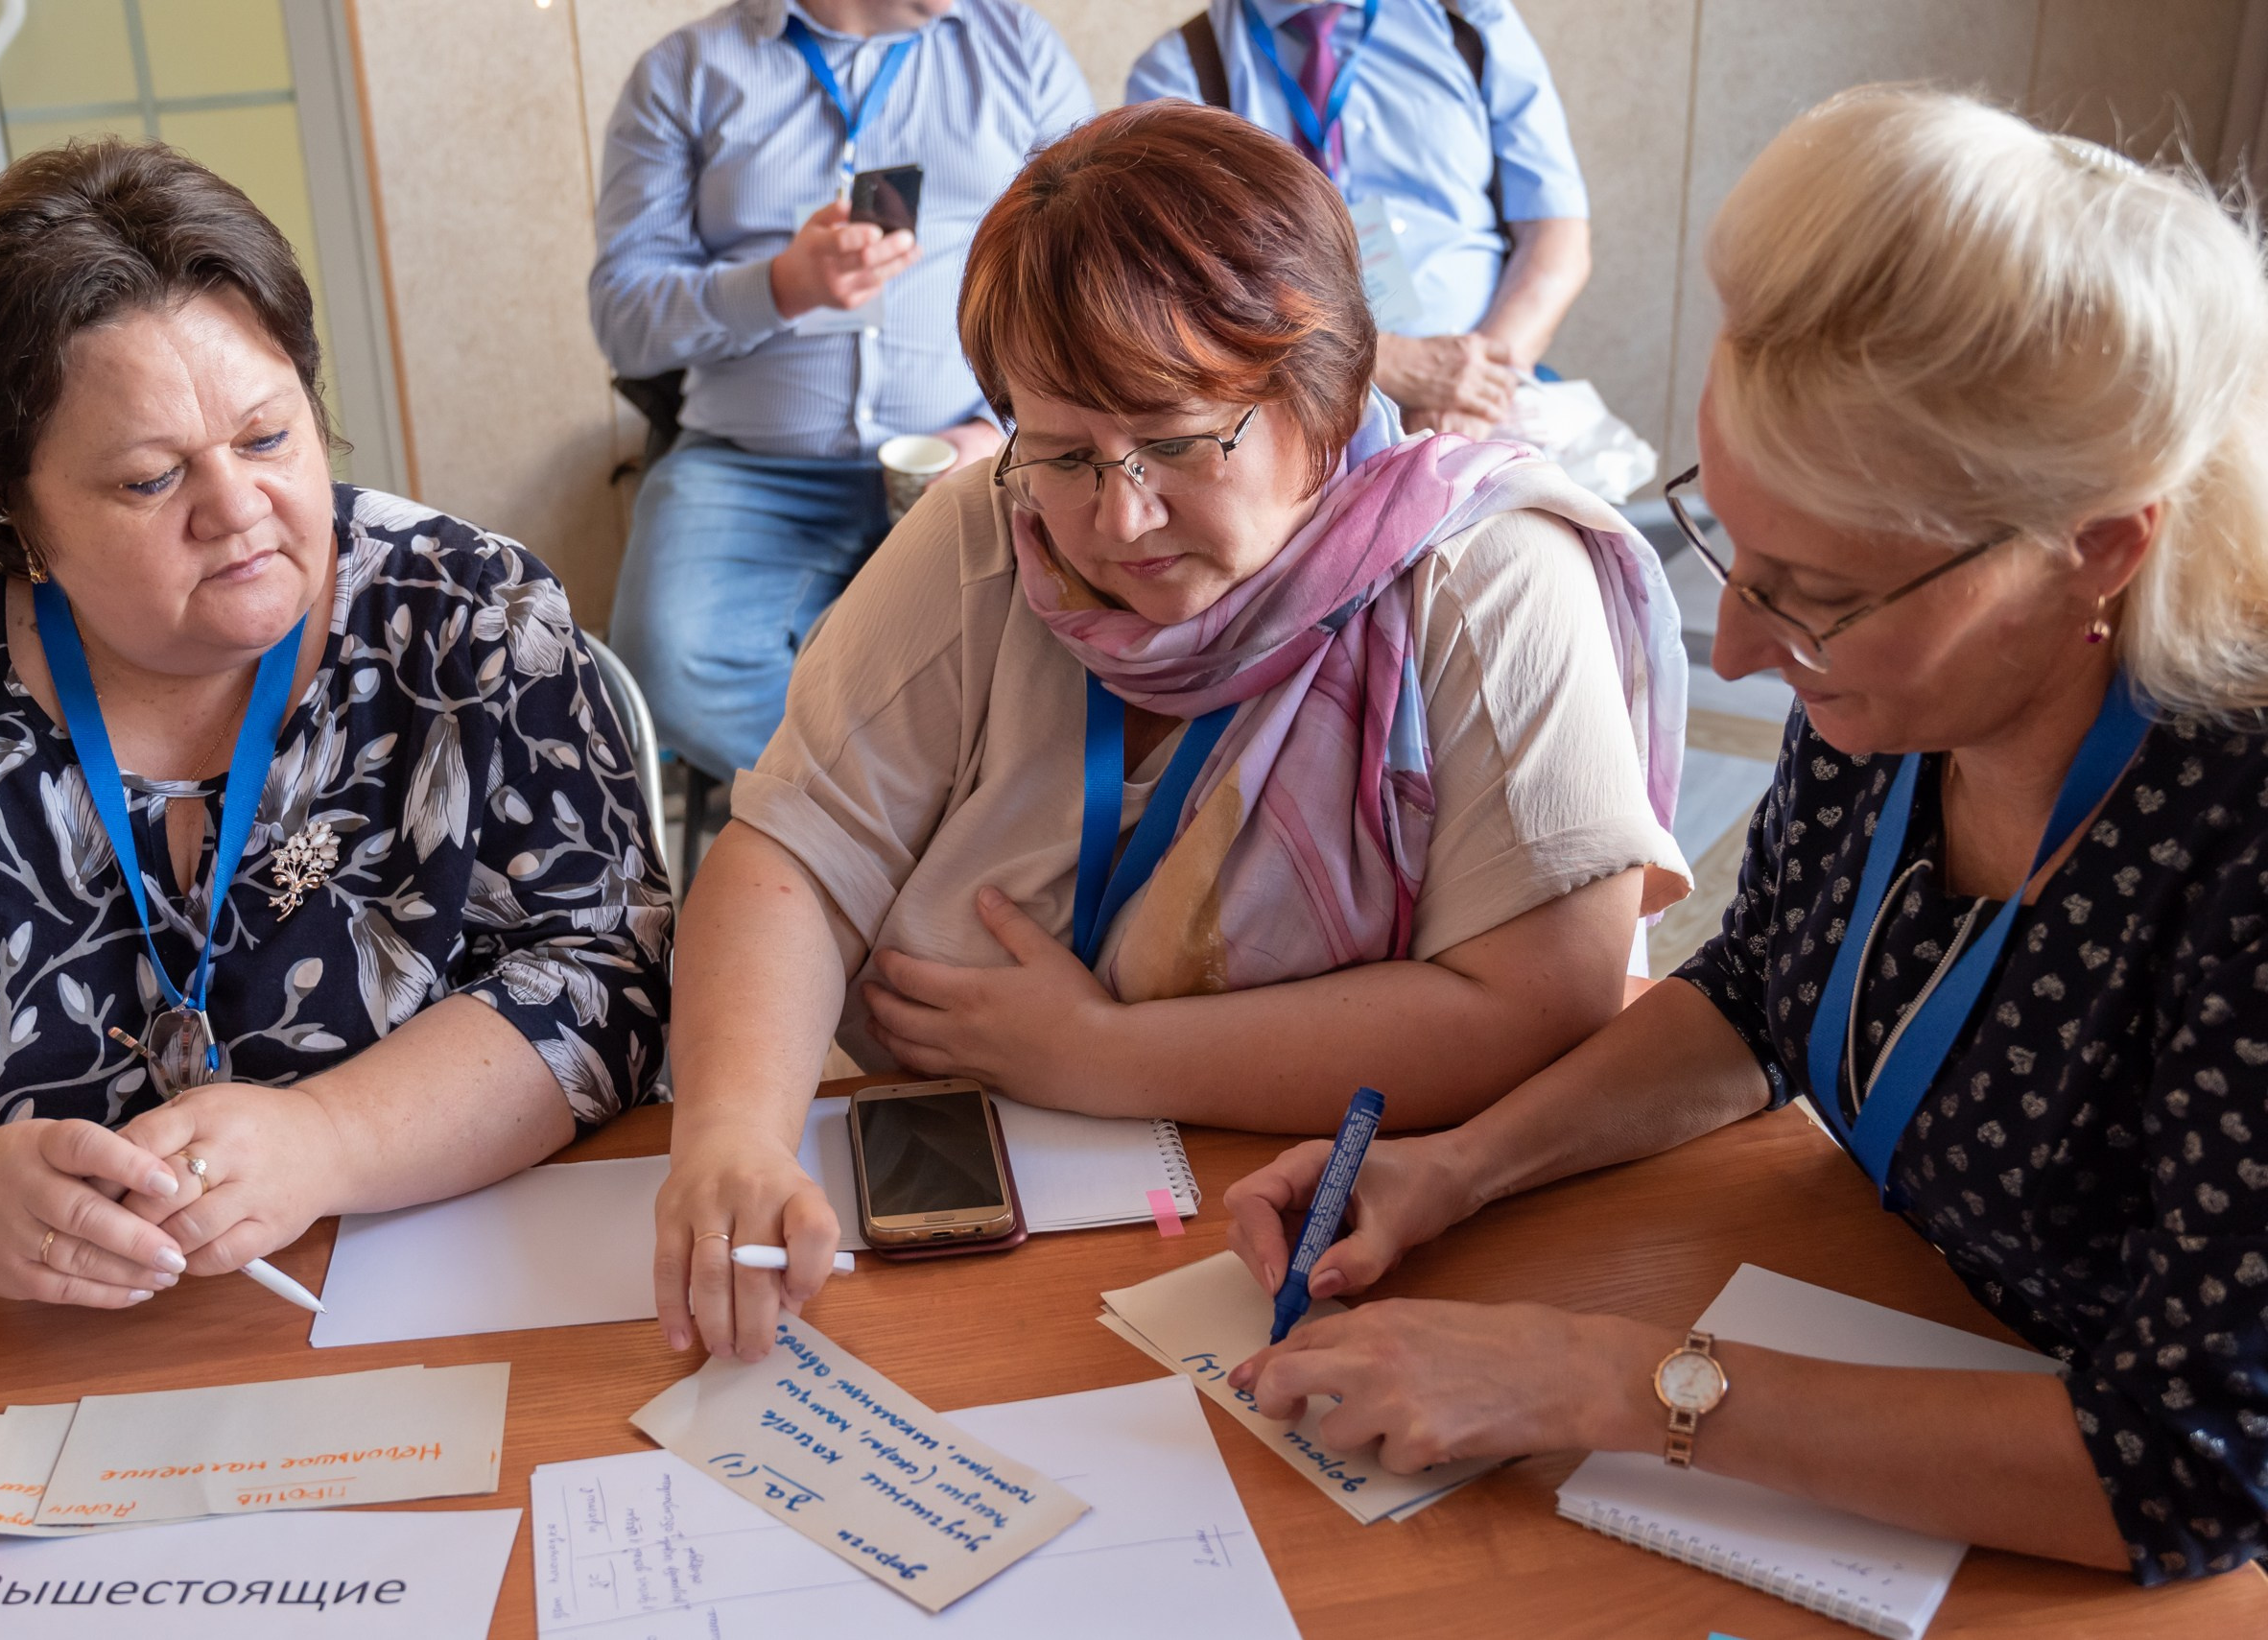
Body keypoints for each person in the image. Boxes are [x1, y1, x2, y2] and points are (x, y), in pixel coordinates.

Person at [1221, 87, 2268, 1584]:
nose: (1736, 651)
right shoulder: (1892, 697)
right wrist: (1456, 1167)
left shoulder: (2236, 843)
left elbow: (2192, 1470)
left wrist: (1610, 1381)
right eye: (1734, 545)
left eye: (1814, 595)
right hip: (1908, 1349)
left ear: (2097, 545)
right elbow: (1761, 988)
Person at [655, 102, 1689, 1360]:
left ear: (1324, 390)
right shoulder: (992, 527)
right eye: (1064, 453)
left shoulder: (1485, 581)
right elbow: (793, 852)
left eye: (1175, 442)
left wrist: (1108, 1055)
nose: (1120, 520)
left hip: (1330, 1242)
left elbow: (1544, 998)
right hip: (982, 1231)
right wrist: (731, 1133)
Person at [0, 141, 672, 1310]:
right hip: (7, 1337)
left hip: (435, 1297)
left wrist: (332, 1138)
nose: (237, 508)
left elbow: (611, 968)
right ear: (9, 512)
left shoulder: (467, 614)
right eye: (150, 479)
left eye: (267, 438)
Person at [590, 0, 1094, 783]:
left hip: (980, 459)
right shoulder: (683, 74)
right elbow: (623, 319)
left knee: (1074, 658)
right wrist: (779, 287)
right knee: (667, 665)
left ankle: (895, 823)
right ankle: (889, 822)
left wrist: (1002, 431)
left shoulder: (1018, 48)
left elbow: (1088, 274)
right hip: (749, 469)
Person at [1127, 0, 1591, 438]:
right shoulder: (1179, 70)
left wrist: (1475, 392)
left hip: (1496, 391)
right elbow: (1192, 301)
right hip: (1304, 416)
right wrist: (1389, 366)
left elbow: (1557, 236)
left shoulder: (1469, 20)